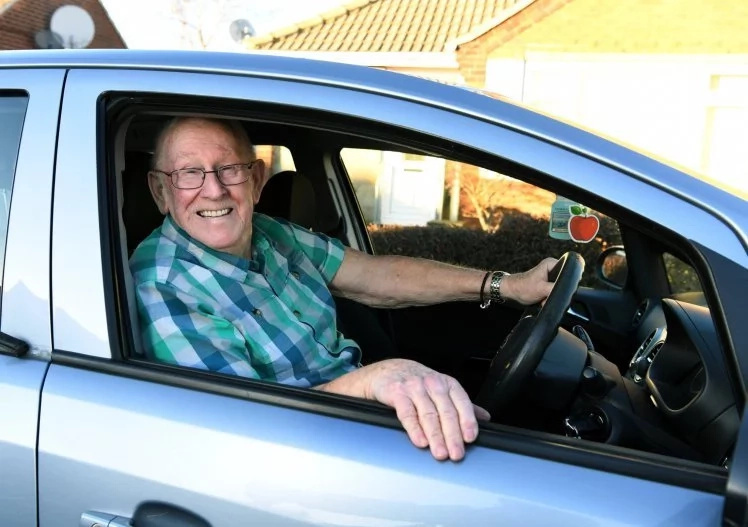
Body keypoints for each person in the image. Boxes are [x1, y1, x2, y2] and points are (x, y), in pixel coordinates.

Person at [130, 116, 557, 462]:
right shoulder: (163, 287)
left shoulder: (271, 233)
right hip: (302, 458)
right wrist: (373, 381)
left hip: (353, 424)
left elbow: (378, 276)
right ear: (160, 191)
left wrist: (506, 286)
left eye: (229, 169)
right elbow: (244, 427)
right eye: (189, 173)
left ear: (257, 179)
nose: (214, 189)